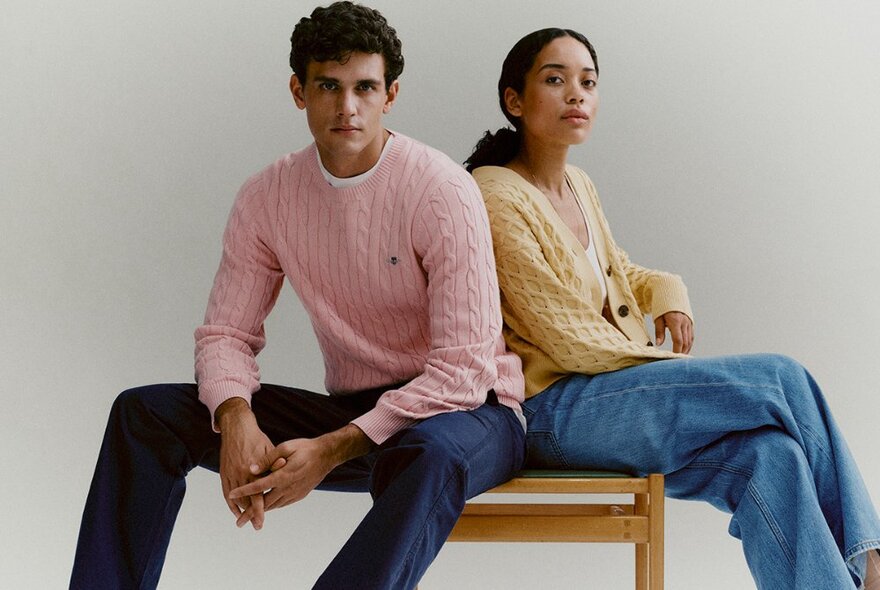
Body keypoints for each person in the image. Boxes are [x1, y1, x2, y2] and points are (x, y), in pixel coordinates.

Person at [69, 3, 526, 588]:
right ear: (298, 91)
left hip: (472, 413)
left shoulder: (442, 191)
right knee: (145, 413)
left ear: (391, 95)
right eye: (328, 87)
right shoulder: (267, 196)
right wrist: (234, 417)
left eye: (365, 87)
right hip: (357, 408)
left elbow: (462, 372)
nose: (347, 106)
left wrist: (328, 452)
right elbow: (226, 335)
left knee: (430, 452)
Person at [465, 28, 880, 589]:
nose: (576, 95)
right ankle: (871, 564)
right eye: (555, 79)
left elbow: (620, 271)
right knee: (781, 379)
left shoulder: (578, 185)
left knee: (772, 455)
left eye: (588, 82)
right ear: (514, 100)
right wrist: (674, 374)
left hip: (607, 404)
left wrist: (669, 295)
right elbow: (561, 335)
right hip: (550, 411)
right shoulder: (495, 193)